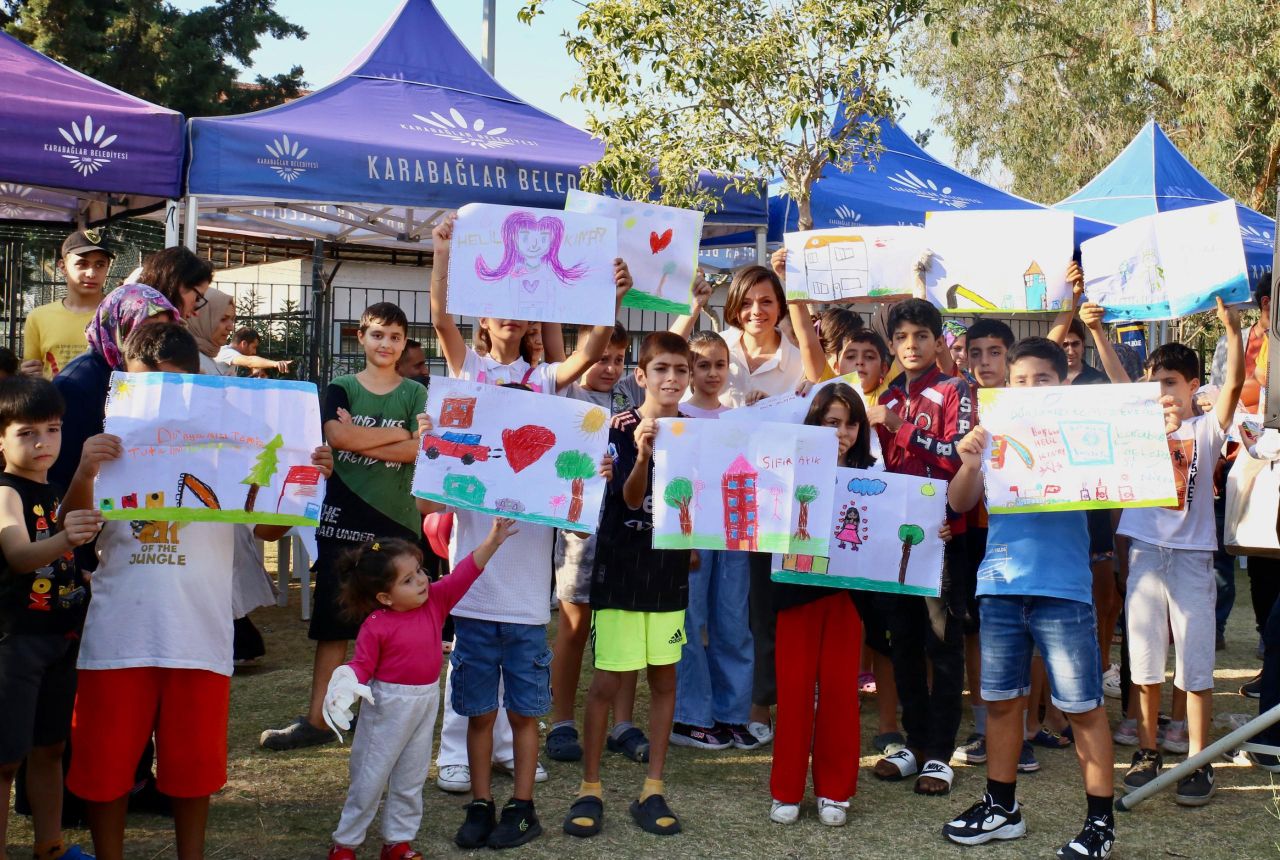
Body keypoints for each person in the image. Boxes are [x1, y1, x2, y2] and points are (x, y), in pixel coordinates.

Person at [66, 322, 333, 860]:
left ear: (196, 384)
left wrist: (304, 478)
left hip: (200, 636)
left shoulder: (228, 448)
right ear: (125, 383)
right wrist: (84, 466)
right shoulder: (111, 440)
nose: (161, 404)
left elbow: (268, 529)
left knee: (193, 771)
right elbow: (73, 520)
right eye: (147, 389)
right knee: (104, 767)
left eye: (172, 388)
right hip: (119, 636)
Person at [426, 213, 630, 849]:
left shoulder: (543, 380)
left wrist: (610, 297)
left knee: (525, 697)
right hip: (474, 563)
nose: (510, 318)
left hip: (525, 574)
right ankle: (481, 799)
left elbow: (592, 351)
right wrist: (441, 251)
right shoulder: (468, 371)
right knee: (477, 694)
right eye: (498, 310)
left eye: (521, 310)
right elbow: (438, 319)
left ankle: (522, 802)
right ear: (484, 319)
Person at [942, 336, 1121, 859]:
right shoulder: (989, 434)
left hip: (1063, 588)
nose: (1029, 389)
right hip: (999, 585)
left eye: (1041, 379)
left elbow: (1123, 474)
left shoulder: (1082, 434)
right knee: (1000, 702)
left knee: (1082, 706)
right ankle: (1001, 807)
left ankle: (1100, 823)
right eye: (1019, 381)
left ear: (1063, 382)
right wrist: (971, 461)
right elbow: (959, 502)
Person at [260, 303, 427, 751]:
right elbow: (338, 439)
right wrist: (397, 437)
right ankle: (317, 719)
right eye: (377, 335)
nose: (385, 345)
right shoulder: (341, 387)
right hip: (342, 519)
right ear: (360, 338)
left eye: (394, 337)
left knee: (397, 625)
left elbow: (419, 451)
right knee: (334, 627)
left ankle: (392, 720)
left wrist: (366, 440)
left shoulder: (415, 392)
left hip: (396, 522)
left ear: (405, 342)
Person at [324, 519, 518, 860]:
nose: (422, 581)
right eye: (408, 580)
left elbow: (463, 573)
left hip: (425, 703)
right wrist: (347, 681)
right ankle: (345, 844)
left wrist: (493, 541)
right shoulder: (376, 625)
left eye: (421, 571)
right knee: (369, 779)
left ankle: (397, 841)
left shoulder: (436, 602)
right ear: (385, 597)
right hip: (387, 708)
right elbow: (363, 665)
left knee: (411, 777)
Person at [563, 332, 692, 839]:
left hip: (669, 577)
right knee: (607, 683)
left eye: (680, 370)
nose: (672, 379)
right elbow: (632, 501)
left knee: (664, 681)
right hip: (619, 571)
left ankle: (652, 785)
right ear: (641, 377)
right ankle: (589, 786)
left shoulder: (697, 433)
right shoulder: (616, 429)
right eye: (661, 369)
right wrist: (641, 456)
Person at [1116, 298, 1243, 806]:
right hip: (1145, 553)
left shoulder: (1208, 429)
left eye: (1170, 381)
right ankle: (1147, 752)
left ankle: (1197, 758)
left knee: (1193, 666)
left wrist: (1233, 332)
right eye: (1154, 381)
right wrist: (1101, 331)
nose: (1160, 391)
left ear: (1193, 387)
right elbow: (1114, 380)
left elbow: (1233, 386)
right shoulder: (1136, 426)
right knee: (1145, 665)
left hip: (1192, 558)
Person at [868, 298, 974, 796]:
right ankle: (913, 743)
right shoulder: (885, 393)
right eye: (903, 338)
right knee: (903, 641)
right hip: (892, 539)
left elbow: (960, 456)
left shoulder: (957, 389)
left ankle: (939, 753)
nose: (912, 345)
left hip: (941, 538)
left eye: (922, 336)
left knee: (943, 645)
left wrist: (899, 427)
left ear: (938, 341)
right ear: (893, 345)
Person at [0, 376, 104, 860]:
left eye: (54, 429)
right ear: (0, 439)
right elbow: (21, 554)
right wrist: (68, 539)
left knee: (51, 750)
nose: (43, 442)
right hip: (16, 642)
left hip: (61, 638)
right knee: (5, 760)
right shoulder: (4, 492)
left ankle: (51, 846)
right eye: (26, 433)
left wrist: (80, 573)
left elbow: (62, 560)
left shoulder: (57, 488)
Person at [768, 383, 880, 827]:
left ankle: (835, 791)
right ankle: (786, 790)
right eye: (832, 422)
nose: (843, 432)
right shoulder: (786, 470)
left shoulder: (873, 474)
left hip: (847, 597)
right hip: (794, 593)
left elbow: (889, 530)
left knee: (839, 692)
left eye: (851, 422)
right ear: (815, 423)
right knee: (794, 691)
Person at [547, 322, 649, 764]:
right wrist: (610, 304)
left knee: (621, 627)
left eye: (618, 359)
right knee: (573, 628)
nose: (610, 367)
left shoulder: (630, 395)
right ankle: (561, 722)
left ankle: (622, 724)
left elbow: (660, 362)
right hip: (579, 531)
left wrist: (697, 306)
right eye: (602, 357)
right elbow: (565, 343)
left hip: (624, 529)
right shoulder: (567, 392)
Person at [670, 330, 758, 750]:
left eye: (719, 364)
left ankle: (732, 713)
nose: (711, 373)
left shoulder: (740, 417)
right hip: (691, 534)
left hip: (736, 534)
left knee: (733, 621)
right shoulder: (677, 416)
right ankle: (690, 715)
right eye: (702, 364)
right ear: (689, 370)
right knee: (691, 621)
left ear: (729, 368)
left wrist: (762, 414)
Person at [951, 318, 1015, 769]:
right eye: (976, 353)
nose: (985, 362)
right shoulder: (960, 397)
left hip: (1019, 528)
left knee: (1023, 628)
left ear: (1009, 355)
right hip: (971, 525)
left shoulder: (1031, 398)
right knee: (975, 628)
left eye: (994, 352)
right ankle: (982, 726)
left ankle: (1027, 729)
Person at [49, 284, 178, 492]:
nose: (157, 340)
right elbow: (60, 470)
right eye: (145, 329)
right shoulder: (77, 384)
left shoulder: (145, 375)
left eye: (164, 330)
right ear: (120, 324)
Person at [22, 230, 113, 378]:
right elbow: (31, 373)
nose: (91, 273)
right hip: (53, 401)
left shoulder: (118, 315)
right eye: (82, 264)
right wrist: (26, 375)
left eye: (100, 265)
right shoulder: (38, 317)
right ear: (63, 267)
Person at [137, 246, 212, 321]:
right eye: (197, 298)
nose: (196, 313)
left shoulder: (132, 309)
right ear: (176, 285)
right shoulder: (158, 325)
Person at [213, 324, 292, 377]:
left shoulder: (229, 354)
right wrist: (275, 364)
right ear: (244, 344)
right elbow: (250, 361)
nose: (254, 352)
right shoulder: (227, 353)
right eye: (254, 347)